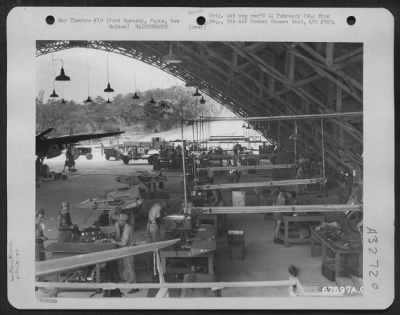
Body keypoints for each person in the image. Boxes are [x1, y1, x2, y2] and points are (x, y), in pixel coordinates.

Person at [112, 212, 138, 294]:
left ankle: (134, 286)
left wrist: (114, 242)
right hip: (127, 250)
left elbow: (123, 243)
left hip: (128, 250)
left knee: (130, 268)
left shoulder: (127, 229)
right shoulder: (125, 226)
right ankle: (130, 283)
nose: (118, 223)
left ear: (123, 221)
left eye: (119, 221)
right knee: (127, 268)